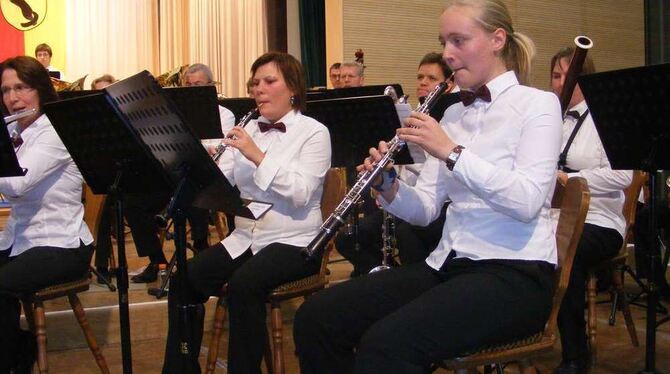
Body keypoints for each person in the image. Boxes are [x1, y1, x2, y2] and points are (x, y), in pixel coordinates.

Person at [293, 1, 563, 373]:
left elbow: (528, 201)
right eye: (444, 42)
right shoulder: (452, 113)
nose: (448, 55)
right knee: (317, 316)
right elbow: (425, 209)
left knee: (385, 346)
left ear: (497, 39)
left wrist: (451, 152)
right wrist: (388, 186)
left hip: (514, 273)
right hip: (447, 265)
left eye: (459, 41)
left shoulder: (539, 105)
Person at [161, 51, 332, 374]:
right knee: (184, 279)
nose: (259, 89)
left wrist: (256, 154)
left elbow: (300, 194)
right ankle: (180, 368)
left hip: (296, 240)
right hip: (247, 237)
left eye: (269, 81)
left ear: (293, 88)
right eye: (255, 83)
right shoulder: (249, 127)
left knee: (244, 284)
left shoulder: (314, 133)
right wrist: (205, 166)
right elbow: (229, 186)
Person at [0, 56, 94, 373]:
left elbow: (18, 185)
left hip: (61, 244)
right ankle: (16, 351)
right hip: (22, 238)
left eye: (22, 88)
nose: (13, 98)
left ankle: (15, 356)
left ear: (40, 89)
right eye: (6, 90)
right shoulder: (16, 134)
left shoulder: (55, 132)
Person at [551, 46, 632, 374]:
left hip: (601, 219)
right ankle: (518, 336)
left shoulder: (608, 116)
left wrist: (570, 179)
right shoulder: (550, 119)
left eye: (567, 76)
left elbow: (623, 174)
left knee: (566, 250)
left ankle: (574, 355)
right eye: (555, 76)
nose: (559, 83)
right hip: (556, 217)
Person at [335, 52, 453, 277]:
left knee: (407, 234)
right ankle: (388, 277)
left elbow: (432, 177)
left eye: (431, 78)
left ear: (448, 85)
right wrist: (386, 179)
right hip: (407, 193)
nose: (423, 83)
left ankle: (411, 284)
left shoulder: (450, 117)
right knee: (349, 238)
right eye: (420, 77)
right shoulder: (411, 114)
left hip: (439, 202)